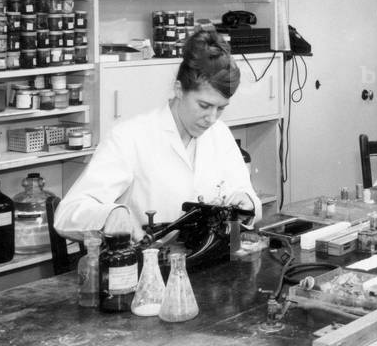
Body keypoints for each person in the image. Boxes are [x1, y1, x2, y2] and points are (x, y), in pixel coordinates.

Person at [55, 28, 263, 241]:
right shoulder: (131, 136)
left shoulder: (219, 134)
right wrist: (110, 214)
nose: (212, 118)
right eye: (204, 105)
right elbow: (67, 214)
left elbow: (247, 196)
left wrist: (247, 202)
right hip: (148, 266)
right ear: (179, 89)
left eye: (220, 108)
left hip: (209, 262)